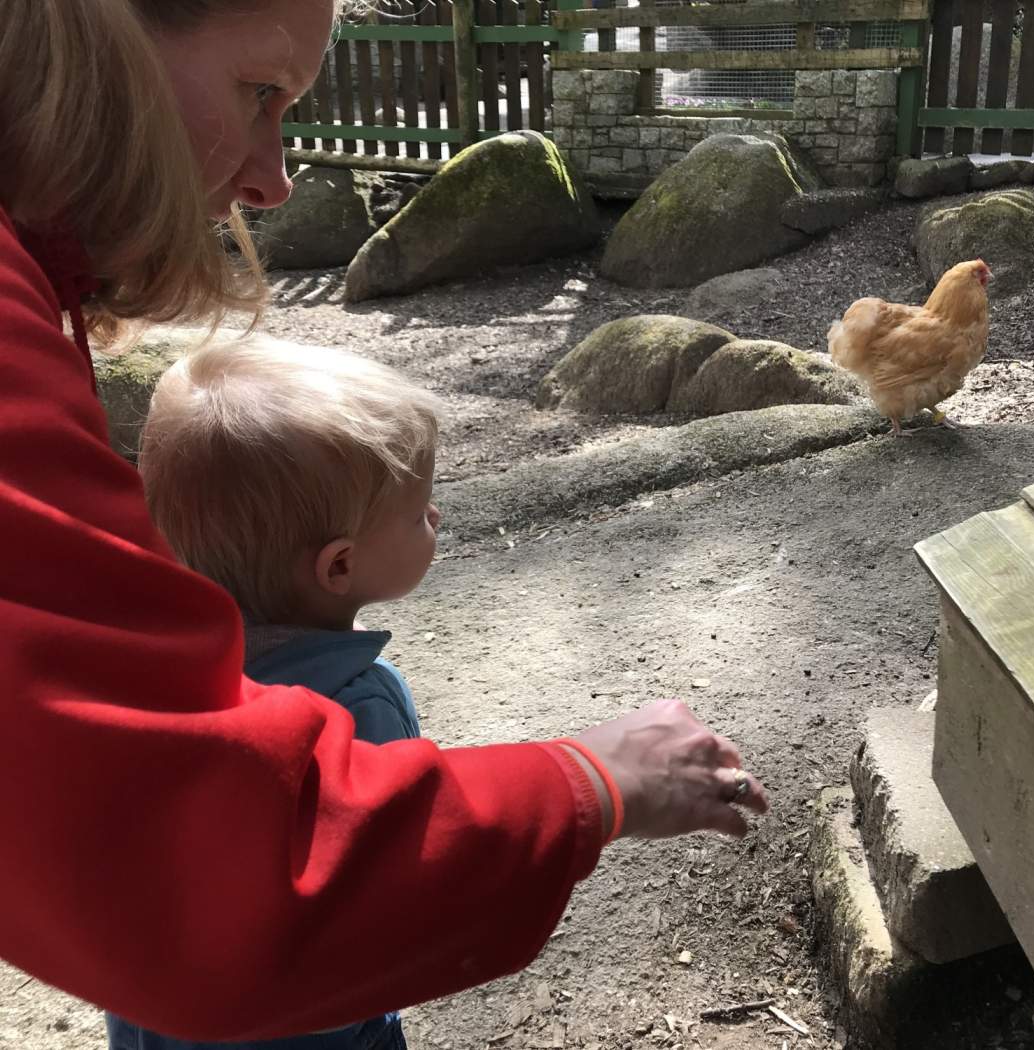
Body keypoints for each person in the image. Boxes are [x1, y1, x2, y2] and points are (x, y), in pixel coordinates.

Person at [0, 0, 768, 1042]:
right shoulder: (361, 697)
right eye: (259, 93)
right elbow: (227, 882)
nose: (272, 180)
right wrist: (592, 781)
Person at [106, 337, 449, 1050]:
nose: (436, 518)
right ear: (340, 566)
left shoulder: (146, 678)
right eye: (420, 510)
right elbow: (397, 888)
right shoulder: (358, 706)